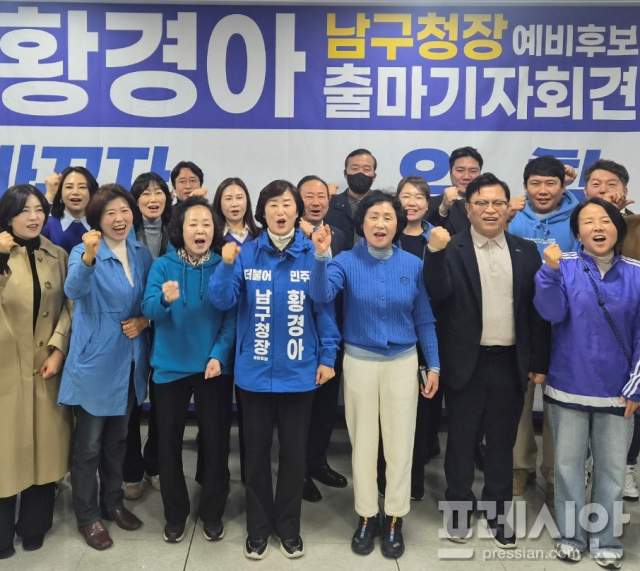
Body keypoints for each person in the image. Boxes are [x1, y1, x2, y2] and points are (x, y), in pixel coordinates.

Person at [209, 180, 339, 560]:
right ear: (261, 213)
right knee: (255, 457)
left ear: (297, 212)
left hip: (300, 373)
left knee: (294, 458)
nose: (280, 212)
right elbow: (222, 300)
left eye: (287, 205)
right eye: (272, 205)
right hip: (253, 375)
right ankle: (258, 529)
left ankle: (289, 528)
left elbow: (324, 303)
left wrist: (327, 358)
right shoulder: (246, 253)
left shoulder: (313, 251)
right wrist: (226, 264)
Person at [310, 190, 440, 559]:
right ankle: (367, 515)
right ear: (361, 223)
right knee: (364, 446)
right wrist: (321, 256)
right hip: (360, 363)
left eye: (388, 217)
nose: (380, 224)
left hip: (403, 364)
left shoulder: (413, 264)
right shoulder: (345, 261)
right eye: (373, 217)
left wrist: (433, 365)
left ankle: (395, 517)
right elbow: (320, 294)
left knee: (400, 446)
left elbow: (424, 318)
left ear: (398, 224)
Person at [424, 173, 550, 549]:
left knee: (501, 443)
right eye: (481, 203)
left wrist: (539, 360)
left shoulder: (526, 251)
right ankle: (459, 510)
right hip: (466, 362)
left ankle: (497, 512)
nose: (490, 210)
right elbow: (436, 294)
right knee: (461, 442)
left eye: (497, 203)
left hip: (510, 362)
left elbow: (536, 312)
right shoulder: (451, 247)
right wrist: (434, 254)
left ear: (508, 208)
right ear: (468, 209)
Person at [534, 198, 640, 567]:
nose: (598, 227)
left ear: (617, 228)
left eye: (605, 220)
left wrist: (636, 386)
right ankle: (571, 536)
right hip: (568, 384)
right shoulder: (561, 266)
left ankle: (606, 538)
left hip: (619, 392)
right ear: (577, 232)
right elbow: (551, 312)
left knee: (612, 470)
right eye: (588, 221)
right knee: (567, 468)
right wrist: (548, 272)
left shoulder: (637, 273)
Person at [58, 184, 153, 551]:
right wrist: (88, 258)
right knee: (89, 446)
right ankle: (87, 516)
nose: (119, 218)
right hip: (96, 362)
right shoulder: (84, 251)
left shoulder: (141, 252)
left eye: (124, 211)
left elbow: (148, 300)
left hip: (130, 361)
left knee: (118, 440)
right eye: (110, 213)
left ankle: (112, 503)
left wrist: (145, 320)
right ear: (97, 219)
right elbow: (73, 290)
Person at [142, 197, 237, 543]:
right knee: (168, 445)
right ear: (179, 229)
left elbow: (231, 318)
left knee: (216, 443)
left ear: (215, 230)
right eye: (193, 223)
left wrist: (219, 355)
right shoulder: (162, 266)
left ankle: (212, 512)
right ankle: (175, 514)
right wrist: (164, 299)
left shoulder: (223, 265)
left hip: (212, 368)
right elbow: (149, 309)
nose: (200, 230)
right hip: (170, 368)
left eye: (207, 224)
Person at [0, 185, 73, 560]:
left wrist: (59, 348)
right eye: (24, 211)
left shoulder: (57, 255)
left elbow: (70, 306)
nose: (33, 217)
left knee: (46, 448)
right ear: (7, 216)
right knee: (5, 451)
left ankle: (34, 526)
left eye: (39, 209)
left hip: (46, 368)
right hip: (6, 369)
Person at [505, 155, 580, 504]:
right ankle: (520, 466)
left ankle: (554, 471)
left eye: (551, 183)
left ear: (563, 187)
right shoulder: (512, 215)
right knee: (517, 395)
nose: (543, 190)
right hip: (518, 317)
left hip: (563, 320)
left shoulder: (577, 218)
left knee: (558, 400)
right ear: (525, 186)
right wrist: (507, 215)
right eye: (535, 183)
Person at [121, 172, 174, 500]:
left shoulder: (177, 231)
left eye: (159, 192)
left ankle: (154, 463)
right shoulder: (124, 232)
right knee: (130, 402)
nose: (153, 199)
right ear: (134, 200)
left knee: (163, 403)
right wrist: (140, 320)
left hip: (167, 328)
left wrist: (148, 319)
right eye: (145, 193)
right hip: (131, 330)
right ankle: (130, 470)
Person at [297, 175, 348, 503]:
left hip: (331, 330)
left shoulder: (339, 234)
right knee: (302, 407)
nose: (316, 202)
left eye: (322, 197)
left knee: (326, 405)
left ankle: (317, 461)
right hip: (300, 331)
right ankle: (299, 470)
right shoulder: (288, 234)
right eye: (309, 196)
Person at [324, 148, 377, 249]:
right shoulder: (330, 204)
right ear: (345, 174)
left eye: (366, 169)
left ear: (374, 176)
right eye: (355, 168)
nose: (360, 173)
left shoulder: (383, 205)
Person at [425, 146, 483, 235]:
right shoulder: (432, 204)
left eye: (473, 171)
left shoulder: (490, 205)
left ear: (480, 173)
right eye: (460, 170)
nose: (466, 177)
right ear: (450, 172)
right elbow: (425, 235)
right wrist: (443, 208)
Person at [41, 166, 99, 253]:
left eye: (82, 187)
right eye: (69, 187)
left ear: (91, 192)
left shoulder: (101, 225)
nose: (75, 192)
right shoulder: (46, 225)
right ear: (60, 192)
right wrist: (49, 195)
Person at [212, 177, 260, 246]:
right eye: (228, 198)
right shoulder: (212, 239)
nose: (234, 204)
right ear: (219, 203)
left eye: (239, 198)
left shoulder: (261, 236)